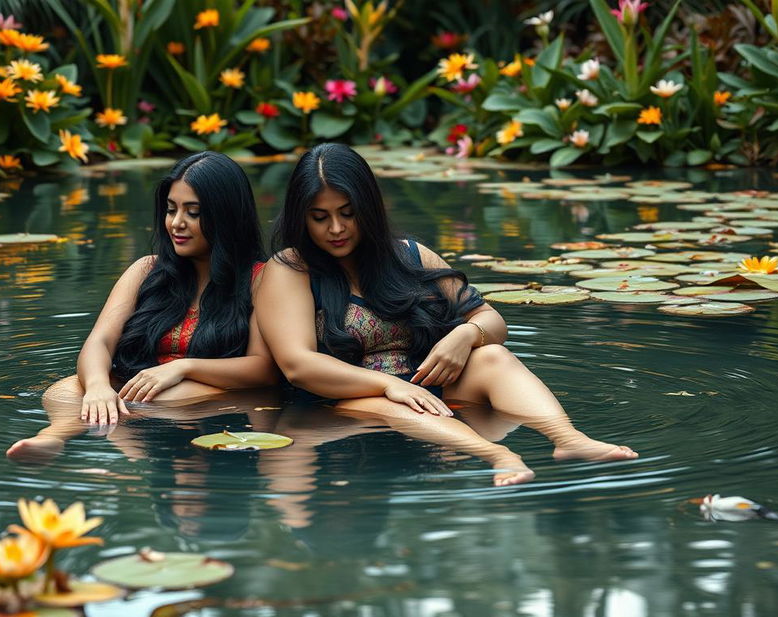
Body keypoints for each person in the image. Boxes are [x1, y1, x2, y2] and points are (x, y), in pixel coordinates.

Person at [255, 143, 637, 487]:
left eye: (347, 213)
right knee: (393, 402)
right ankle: (498, 455)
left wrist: (466, 336)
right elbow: (297, 365)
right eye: (319, 217)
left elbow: (491, 321)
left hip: (427, 388)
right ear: (301, 218)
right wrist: (391, 385)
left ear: (368, 209)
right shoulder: (290, 268)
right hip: (341, 403)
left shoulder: (408, 254)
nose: (336, 228)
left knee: (493, 355)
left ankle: (568, 439)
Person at [8, 151, 279, 459]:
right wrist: (97, 386)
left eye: (193, 212)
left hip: (211, 394)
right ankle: (53, 437)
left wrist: (182, 367)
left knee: (157, 399)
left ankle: (120, 444)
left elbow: (264, 369)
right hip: (139, 385)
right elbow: (100, 341)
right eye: (171, 209)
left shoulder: (261, 280)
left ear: (226, 216)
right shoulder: (146, 270)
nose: (176, 223)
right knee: (64, 391)